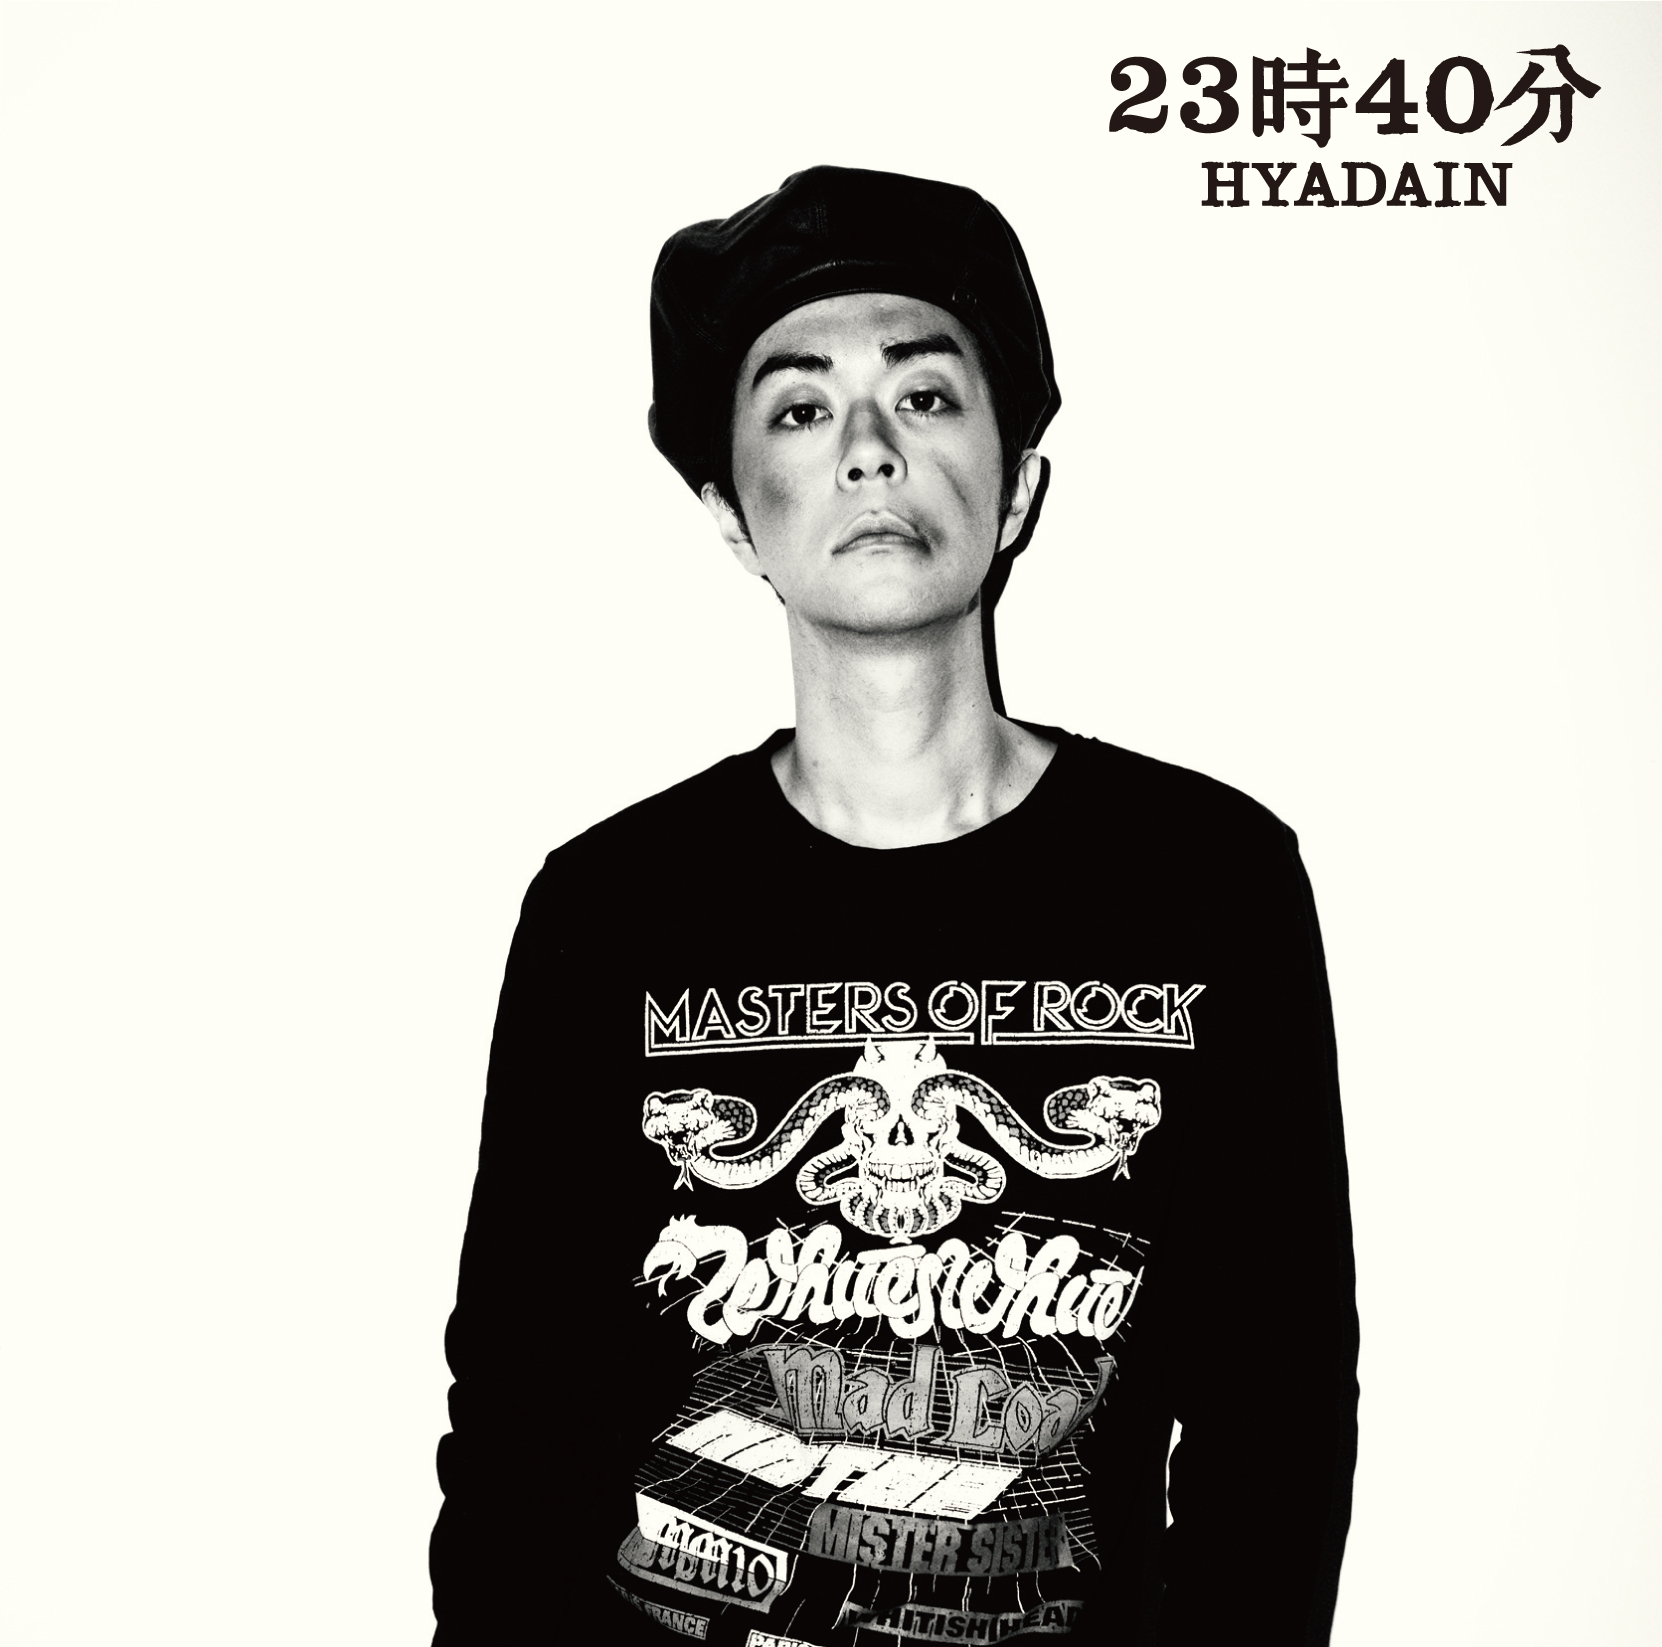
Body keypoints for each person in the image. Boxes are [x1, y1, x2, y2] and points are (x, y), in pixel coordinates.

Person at [430, 165, 1359, 1647]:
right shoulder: (607, 911)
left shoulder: (1210, 883)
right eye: (801, 410)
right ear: (736, 519)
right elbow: (518, 1428)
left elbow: (1278, 1424)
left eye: (924, 396)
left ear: (1017, 485)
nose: (869, 450)